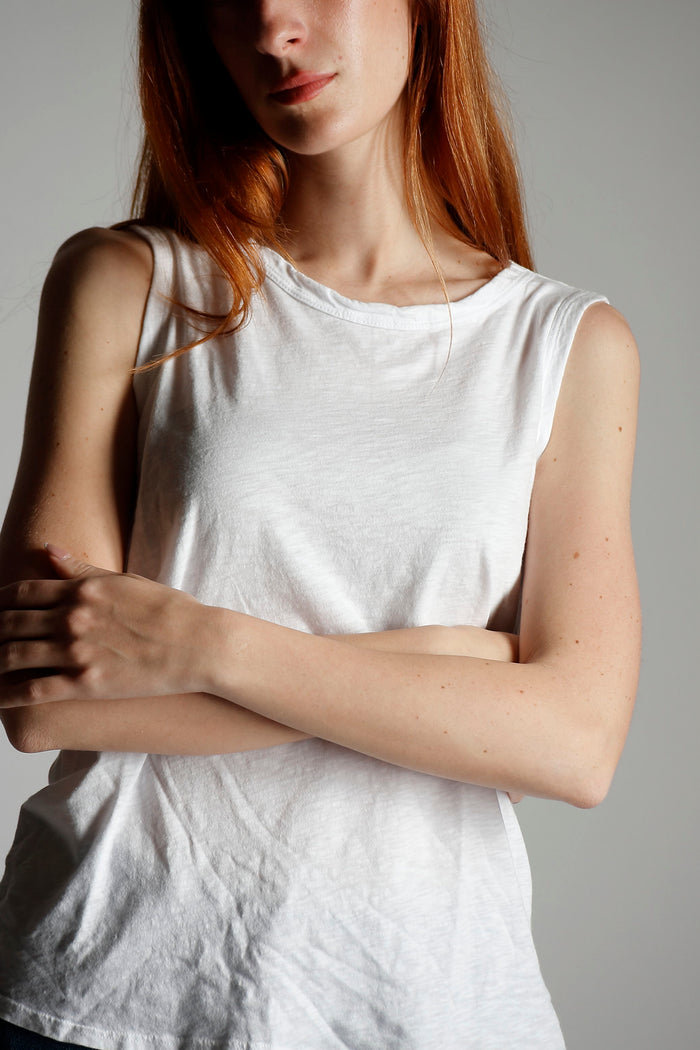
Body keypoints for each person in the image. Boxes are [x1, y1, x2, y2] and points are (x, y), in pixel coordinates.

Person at [0, 0, 641, 1047]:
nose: (271, 28)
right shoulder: (128, 282)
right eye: (227, 3)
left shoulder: (563, 344)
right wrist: (446, 671)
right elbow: (46, 699)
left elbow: (573, 744)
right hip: (105, 994)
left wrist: (205, 644)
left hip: (424, 1004)